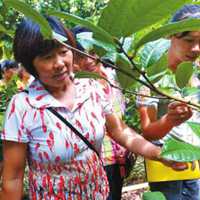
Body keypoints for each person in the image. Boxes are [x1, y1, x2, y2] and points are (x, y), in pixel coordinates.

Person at [1, 16, 163, 200]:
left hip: (100, 194)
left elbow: (119, 130)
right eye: (47, 57)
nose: (60, 63)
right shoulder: (23, 106)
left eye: (63, 51)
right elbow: (12, 179)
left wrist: (158, 153)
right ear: (31, 64)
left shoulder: (90, 87)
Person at [137, 4, 200, 200]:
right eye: (189, 40)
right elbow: (147, 132)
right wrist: (170, 120)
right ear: (170, 36)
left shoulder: (196, 73)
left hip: (194, 164)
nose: (196, 48)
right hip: (167, 166)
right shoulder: (152, 76)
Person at [72, 26, 128, 200]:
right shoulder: (75, 88)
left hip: (120, 158)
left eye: (92, 52)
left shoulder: (116, 78)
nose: (88, 60)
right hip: (95, 162)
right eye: (81, 55)